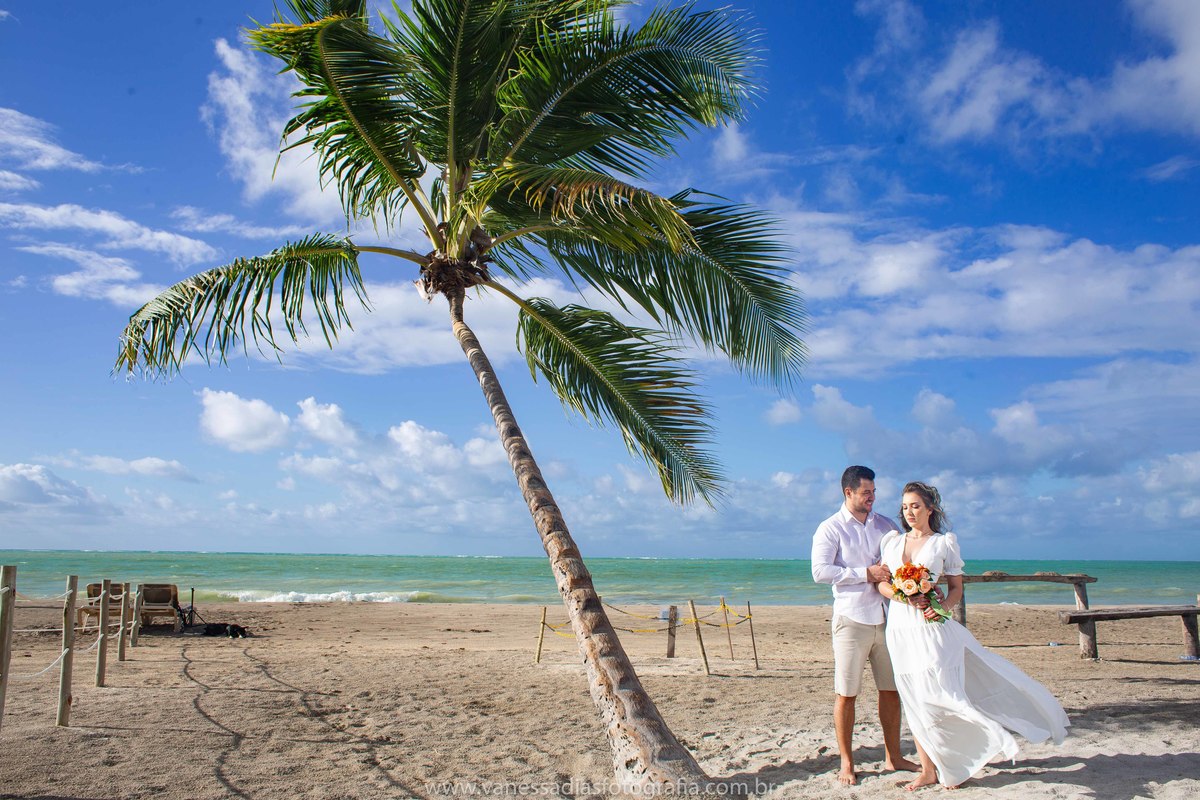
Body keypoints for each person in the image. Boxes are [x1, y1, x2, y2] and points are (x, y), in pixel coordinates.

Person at [878, 481, 1070, 790]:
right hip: (900, 628)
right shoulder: (891, 542)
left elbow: (956, 589)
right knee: (914, 699)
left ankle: (988, 739)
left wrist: (940, 606)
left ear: (930, 509)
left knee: (943, 694)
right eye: (904, 507)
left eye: (915, 506)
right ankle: (929, 770)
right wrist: (903, 597)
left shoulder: (943, 544)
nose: (909, 512)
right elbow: (882, 585)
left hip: (930, 628)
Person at [812, 466, 918, 786]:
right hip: (851, 620)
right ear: (848, 493)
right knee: (847, 693)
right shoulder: (830, 529)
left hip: (887, 620)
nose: (872, 497)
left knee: (891, 691)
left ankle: (893, 756)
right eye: (866, 493)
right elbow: (820, 572)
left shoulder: (886, 524)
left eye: (874, 492)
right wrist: (865, 573)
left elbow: (903, 560)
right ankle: (847, 762)